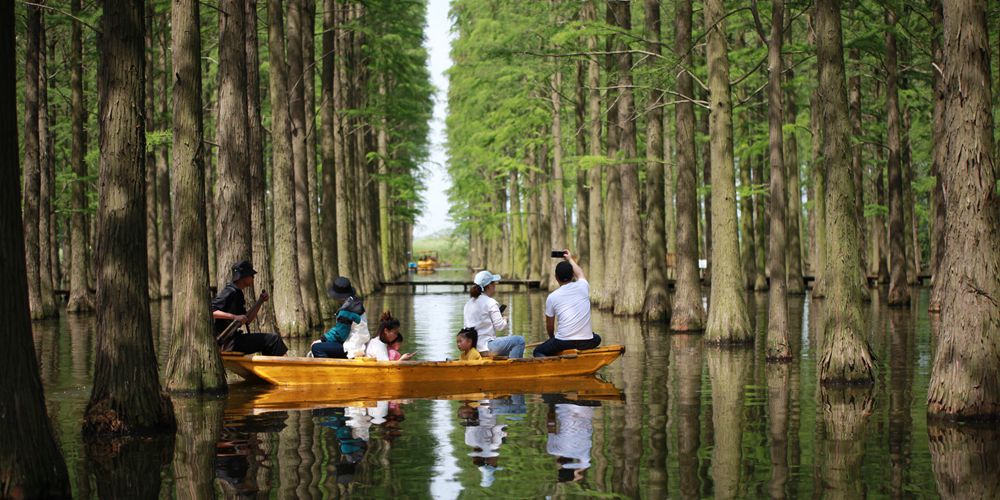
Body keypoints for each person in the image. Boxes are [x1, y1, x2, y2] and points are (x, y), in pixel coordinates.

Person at [211, 260, 288, 356]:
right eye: (251, 275)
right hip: (227, 342)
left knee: (271, 340)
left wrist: (260, 301)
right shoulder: (229, 292)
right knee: (274, 339)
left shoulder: (238, 293)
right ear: (243, 277)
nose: (253, 277)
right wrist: (234, 316)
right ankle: (288, 368)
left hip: (233, 340)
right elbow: (211, 312)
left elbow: (247, 319)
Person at [534, 250, 601, 357]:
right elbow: (580, 273)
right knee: (597, 338)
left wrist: (552, 338)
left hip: (563, 342)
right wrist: (570, 259)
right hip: (587, 342)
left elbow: (550, 326)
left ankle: (551, 368)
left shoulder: (552, 297)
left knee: (537, 351)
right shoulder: (583, 286)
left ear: (556, 278)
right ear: (572, 276)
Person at [464, 270, 525, 358]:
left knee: (508, 348)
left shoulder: (468, 304)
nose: (495, 287)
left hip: (473, 348)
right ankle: (515, 369)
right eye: (494, 284)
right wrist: (505, 319)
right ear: (489, 286)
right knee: (519, 341)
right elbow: (500, 327)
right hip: (486, 347)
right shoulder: (490, 302)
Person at [311, 276, 370, 358]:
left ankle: (327, 370)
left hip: (352, 346)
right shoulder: (356, 302)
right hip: (361, 341)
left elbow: (340, 335)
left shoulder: (346, 311)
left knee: (317, 348)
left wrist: (322, 340)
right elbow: (342, 328)